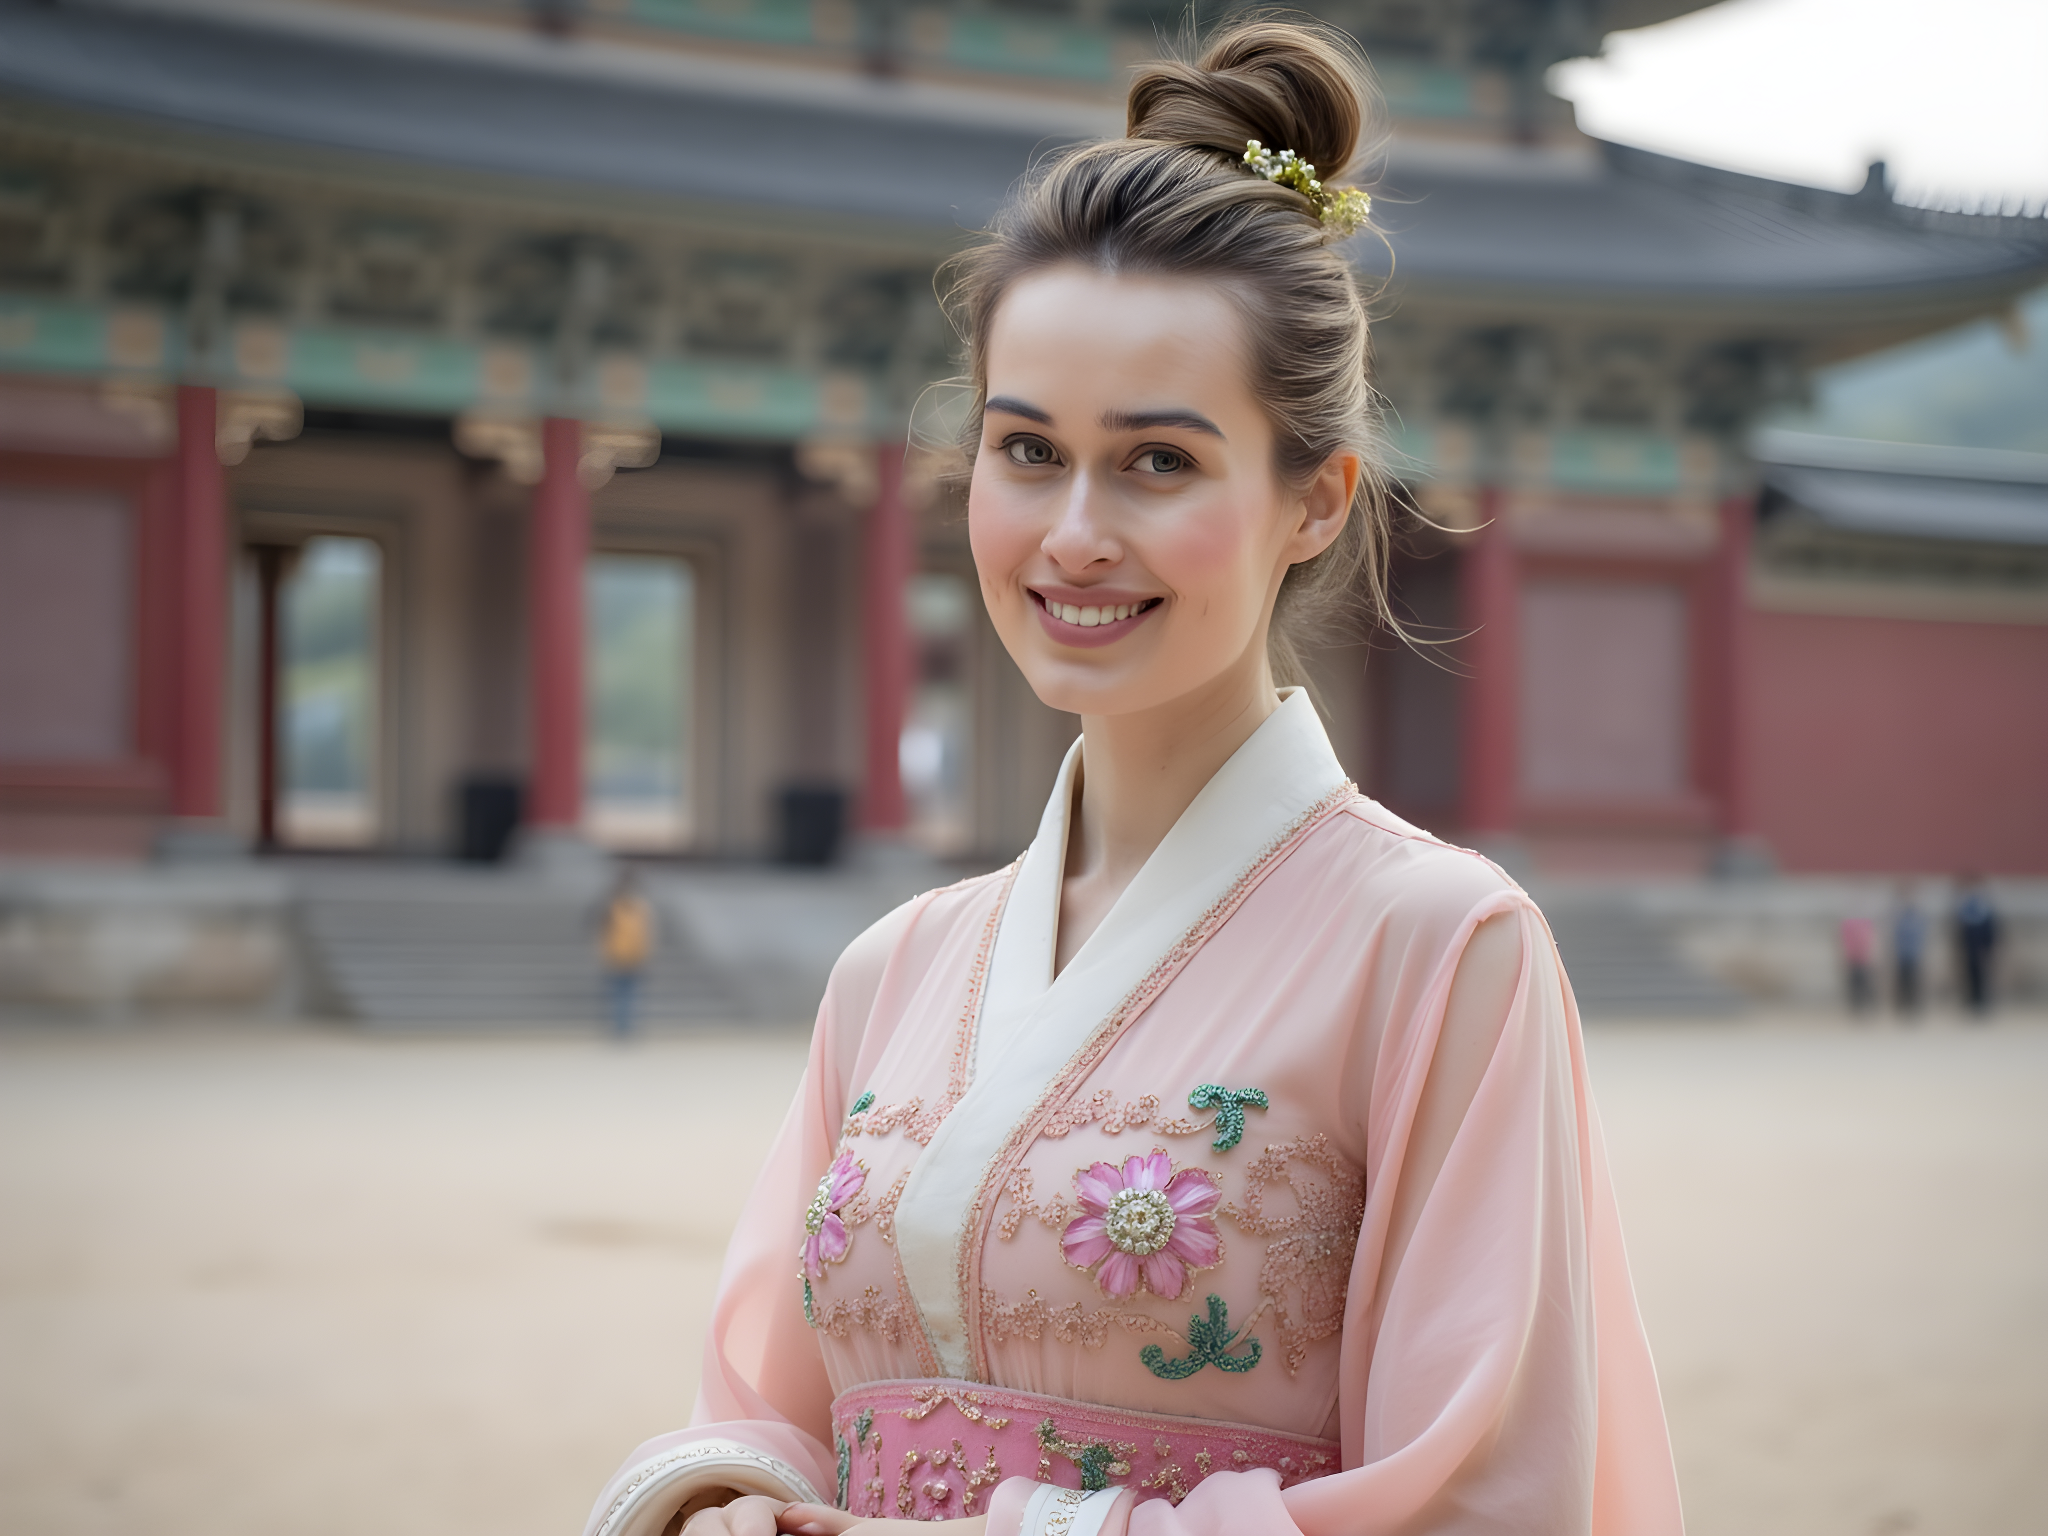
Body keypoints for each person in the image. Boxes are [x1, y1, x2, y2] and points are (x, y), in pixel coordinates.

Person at [582, 24, 1681, 1536]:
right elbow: (770, 1408)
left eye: (1157, 463)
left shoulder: (1439, 949)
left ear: (1314, 498)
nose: (1073, 533)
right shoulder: (892, 973)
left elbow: (1490, 1498)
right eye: (1026, 450)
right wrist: (726, 1492)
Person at [597, 867, 657, 1039]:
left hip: (630, 955)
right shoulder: (616, 907)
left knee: (626, 994)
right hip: (619, 955)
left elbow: (646, 934)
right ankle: (621, 1028)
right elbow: (604, 933)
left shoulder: (637, 907)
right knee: (623, 994)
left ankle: (624, 1027)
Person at [1954, 875, 1999, 1018]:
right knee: (1969, 975)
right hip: (1968, 947)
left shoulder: (1984, 905)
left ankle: (1982, 1002)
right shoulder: (1964, 905)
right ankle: (1971, 1002)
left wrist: (1989, 946)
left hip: (1982, 947)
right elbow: (1960, 929)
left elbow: (1990, 928)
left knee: (1983, 974)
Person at [1891, 884, 1925, 1018]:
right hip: (1901, 952)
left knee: (1914, 980)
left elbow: (1921, 932)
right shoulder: (1897, 912)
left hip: (1914, 952)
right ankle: (1902, 1006)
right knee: (1902, 980)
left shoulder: (1917, 913)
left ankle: (1913, 1006)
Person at [1840, 914, 1876, 1016]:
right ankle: (1856, 1009)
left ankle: (1868, 1008)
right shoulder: (1847, 923)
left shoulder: (1866, 922)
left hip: (1864, 958)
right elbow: (1844, 940)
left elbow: (1871, 939)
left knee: (1867, 985)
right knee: (1854, 986)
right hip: (1852, 958)